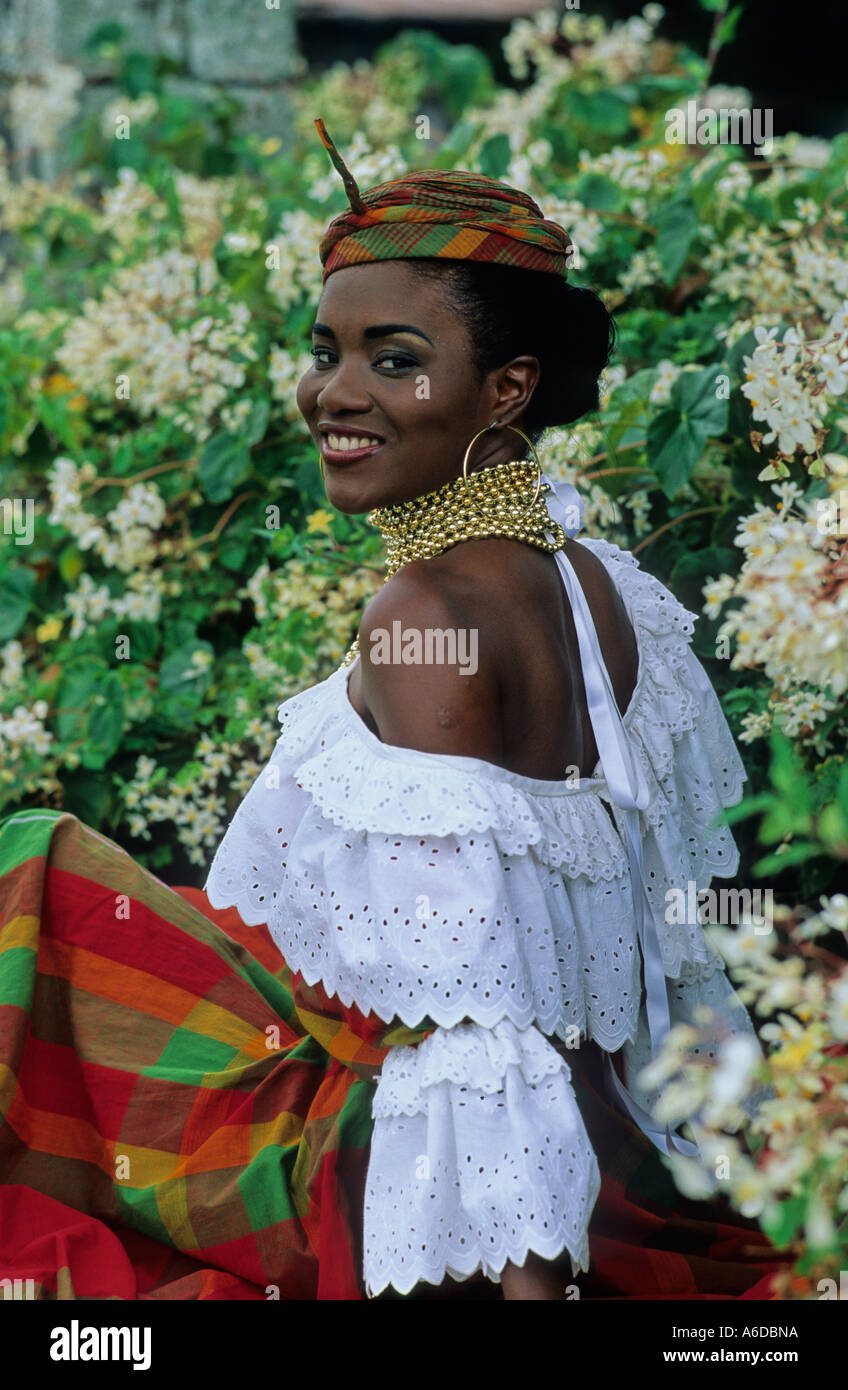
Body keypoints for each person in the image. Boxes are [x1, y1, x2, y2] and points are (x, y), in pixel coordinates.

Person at [0, 126, 782, 1303]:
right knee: (55, 871)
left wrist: (526, 1283)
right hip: (602, 1130)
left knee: (29, 871)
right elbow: (659, 948)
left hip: (404, 1174)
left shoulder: (424, 614)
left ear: (506, 387)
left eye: (393, 356)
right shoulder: (595, 578)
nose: (335, 392)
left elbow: (476, 1034)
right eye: (325, 350)